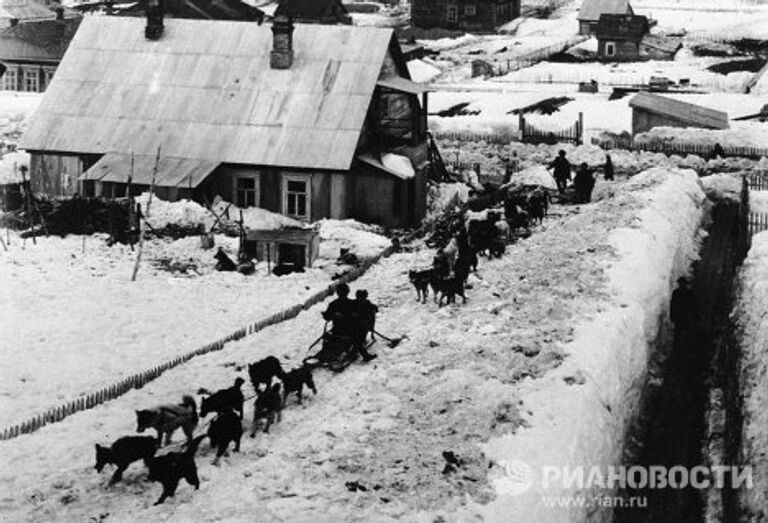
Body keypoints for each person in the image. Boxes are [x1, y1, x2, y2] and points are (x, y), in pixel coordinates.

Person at [670, 277, 698, 350]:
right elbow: (672, 305)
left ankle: (683, 349)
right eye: (680, 284)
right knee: (678, 334)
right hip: (679, 318)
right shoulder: (676, 293)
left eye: (682, 284)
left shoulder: (688, 294)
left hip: (685, 318)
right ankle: (677, 349)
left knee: (685, 334)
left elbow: (693, 307)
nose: (681, 285)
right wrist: (672, 316)